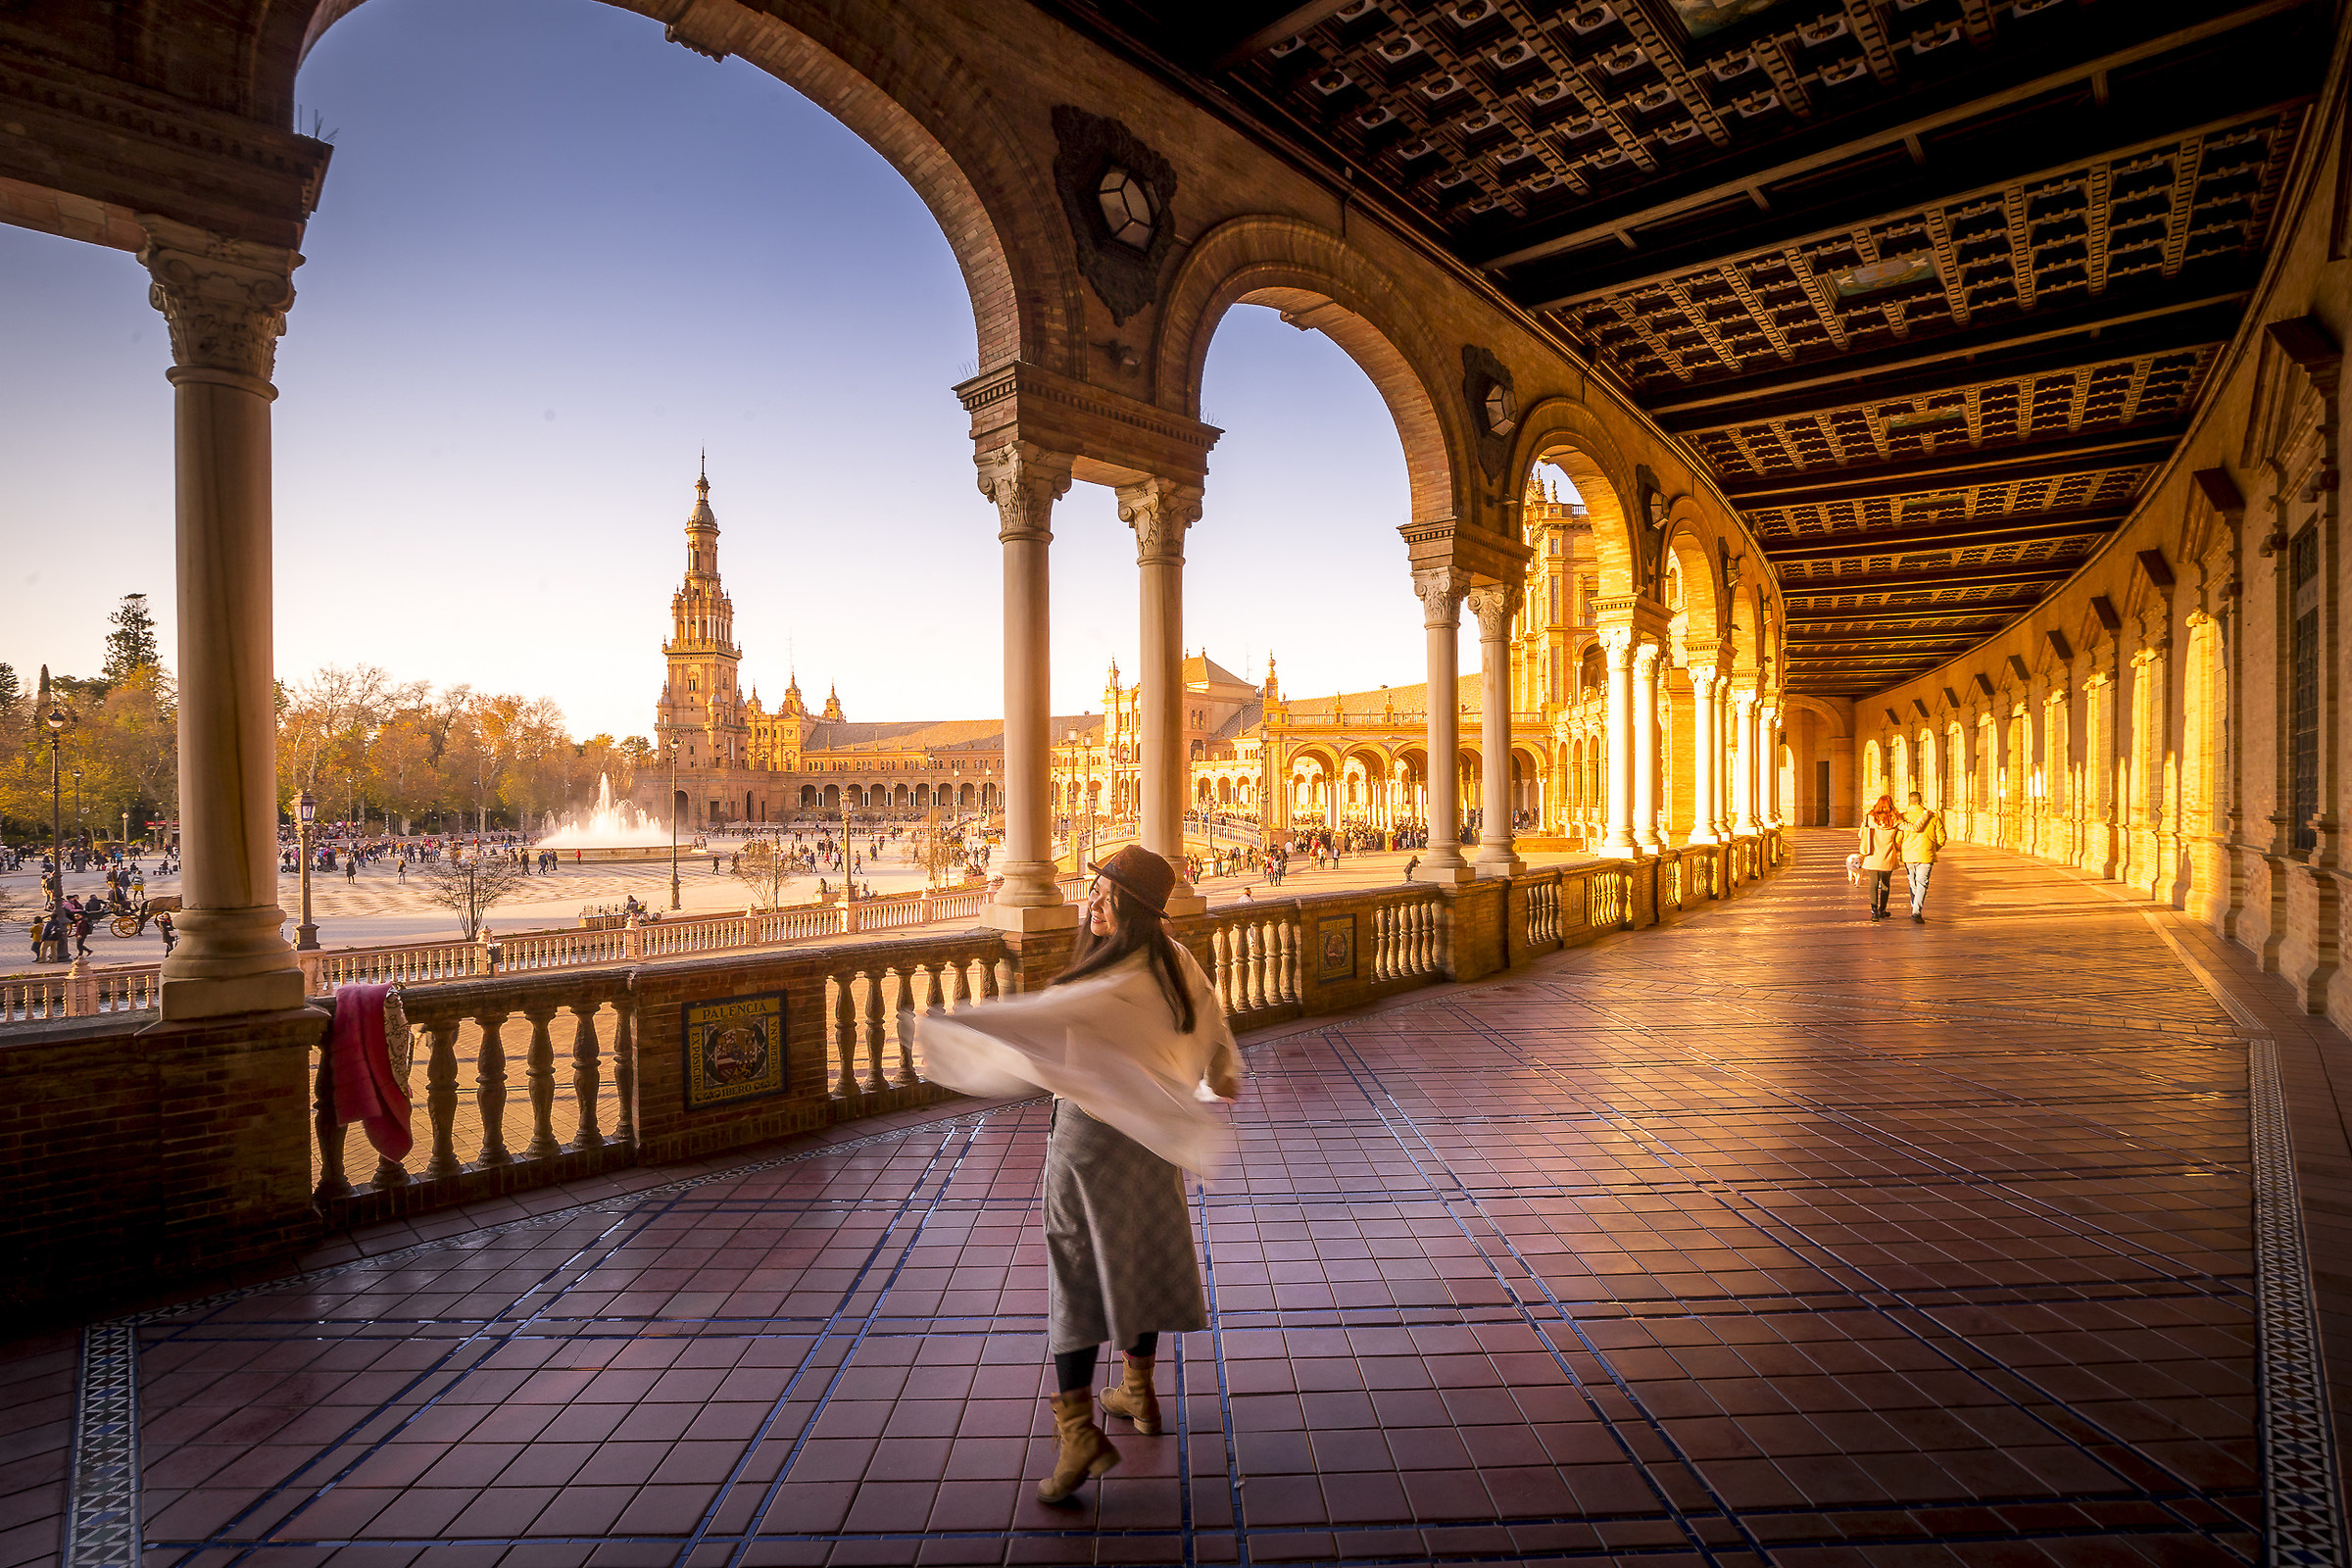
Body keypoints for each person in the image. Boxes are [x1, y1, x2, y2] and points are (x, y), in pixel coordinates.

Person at [915, 846, 1241, 1505]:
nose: (1091, 902)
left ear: (1134, 908)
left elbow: (1024, 1026)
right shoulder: (1175, 964)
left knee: (1077, 1274)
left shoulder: (1100, 984)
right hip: (1154, 1139)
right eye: (1093, 889)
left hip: (1088, 1144)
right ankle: (1139, 1392)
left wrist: (948, 1029)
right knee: (1138, 1255)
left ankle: (1077, 1435)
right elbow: (1215, 1035)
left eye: (1105, 894)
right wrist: (1215, 1072)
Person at [1897, 791, 1946, 922]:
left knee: (1912, 883)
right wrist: (1932, 848)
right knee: (1922, 884)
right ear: (1921, 801)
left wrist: (1902, 849)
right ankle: (1916, 911)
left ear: (1909, 801)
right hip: (1926, 855)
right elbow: (1941, 838)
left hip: (1908, 855)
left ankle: (1915, 908)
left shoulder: (1904, 817)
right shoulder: (1933, 817)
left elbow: (1898, 839)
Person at [1856, 795, 1903, 920]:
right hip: (1888, 855)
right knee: (1885, 884)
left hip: (1872, 855)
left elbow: (1860, 835)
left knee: (1873, 883)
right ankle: (1882, 910)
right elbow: (1900, 836)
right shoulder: (1895, 820)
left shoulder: (1869, 818)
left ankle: (1874, 911)